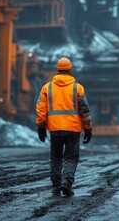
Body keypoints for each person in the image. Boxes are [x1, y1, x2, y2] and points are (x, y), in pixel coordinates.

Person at [35, 57, 93, 196]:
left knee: (56, 157)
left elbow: (41, 109)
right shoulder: (77, 88)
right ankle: (66, 183)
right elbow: (84, 110)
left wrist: (41, 126)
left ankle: (56, 185)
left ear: (57, 70)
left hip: (55, 129)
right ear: (70, 70)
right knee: (71, 157)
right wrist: (88, 128)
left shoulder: (47, 87)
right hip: (72, 129)